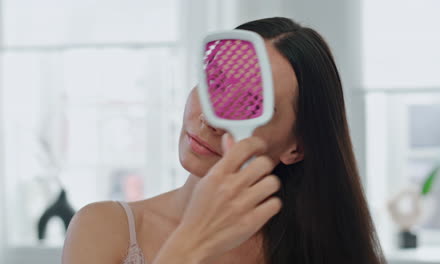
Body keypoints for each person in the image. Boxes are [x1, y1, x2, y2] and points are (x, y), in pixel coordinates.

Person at [62, 17, 386, 264]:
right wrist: (192, 240)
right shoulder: (104, 227)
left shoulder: (321, 249)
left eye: (250, 103)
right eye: (215, 81)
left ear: (296, 147)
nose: (212, 118)